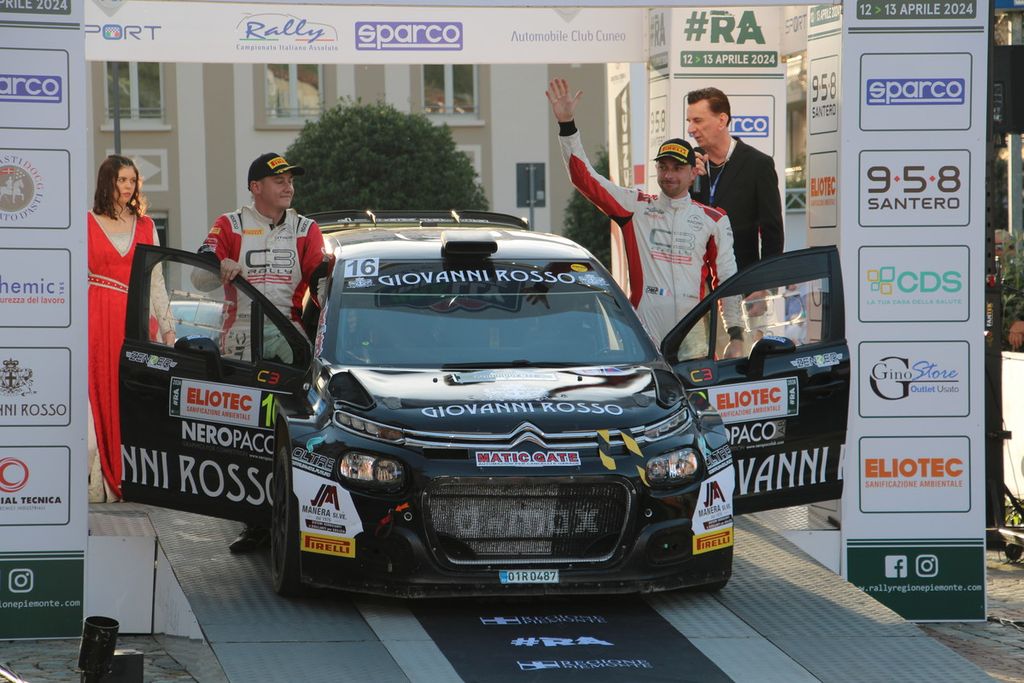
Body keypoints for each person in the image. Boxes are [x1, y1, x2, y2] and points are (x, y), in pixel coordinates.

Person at [546, 78, 743, 357]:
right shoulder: (635, 207)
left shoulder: (714, 219)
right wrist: (567, 126)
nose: (669, 175)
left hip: (693, 333)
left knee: (694, 386)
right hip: (644, 332)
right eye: (663, 167)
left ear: (692, 173)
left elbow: (727, 277)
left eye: (677, 168)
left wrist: (736, 334)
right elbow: (584, 178)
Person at [197, 152, 326, 552]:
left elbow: (322, 286)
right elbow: (199, 276)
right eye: (279, 180)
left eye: (291, 180)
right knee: (244, 436)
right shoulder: (230, 224)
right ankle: (253, 522)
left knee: (284, 435)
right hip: (238, 341)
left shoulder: (306, 229)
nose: (289, 186)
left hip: (289, 343)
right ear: (256, 187)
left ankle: (289, 517)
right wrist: (220, 265)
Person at [88, 155, 175, 503]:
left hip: (134, 322)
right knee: (95, 394)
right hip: (96, 320)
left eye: (132, 180)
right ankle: (97, 481)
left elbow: (156, 282)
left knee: (130, 398)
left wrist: (168, 329)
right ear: (107, 182)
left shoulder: (146, 226)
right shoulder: (86, 223)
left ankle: (130, 476)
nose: (128, 186)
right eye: (121, 180)